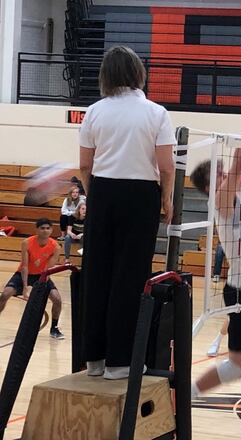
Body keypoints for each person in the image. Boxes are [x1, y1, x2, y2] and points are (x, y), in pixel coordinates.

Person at [78, 45, 176, 380]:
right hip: (140, 195)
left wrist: (95, 195)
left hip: (102, 191)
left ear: (105, 75)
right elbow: (167, 166)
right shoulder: (156, 113)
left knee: (96, 273)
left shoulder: (94, 112)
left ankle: (94, 359)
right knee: (130, 277)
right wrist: (166, 200)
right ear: (138, 73)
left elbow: (84, 165)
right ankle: (120, 362)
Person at [190, 88, 241, 396]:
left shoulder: (237, 190)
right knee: (235, 368)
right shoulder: (221, 202)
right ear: (210, 185)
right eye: (219, 172)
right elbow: (240, 154)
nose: (225, 172)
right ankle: (188, 393)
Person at [0, 218, 64, 340]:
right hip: (23, 274)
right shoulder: (27, 242)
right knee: (5, 294)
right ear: (37, 230)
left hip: (41, 276)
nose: (45, 231)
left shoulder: (55, 246)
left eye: (48, 228)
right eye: (42, 228)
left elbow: (48, 269)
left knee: (57, 299)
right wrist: (25, 287)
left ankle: (54, 328)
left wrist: (40, 285)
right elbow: (24, 266)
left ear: (51, 230)